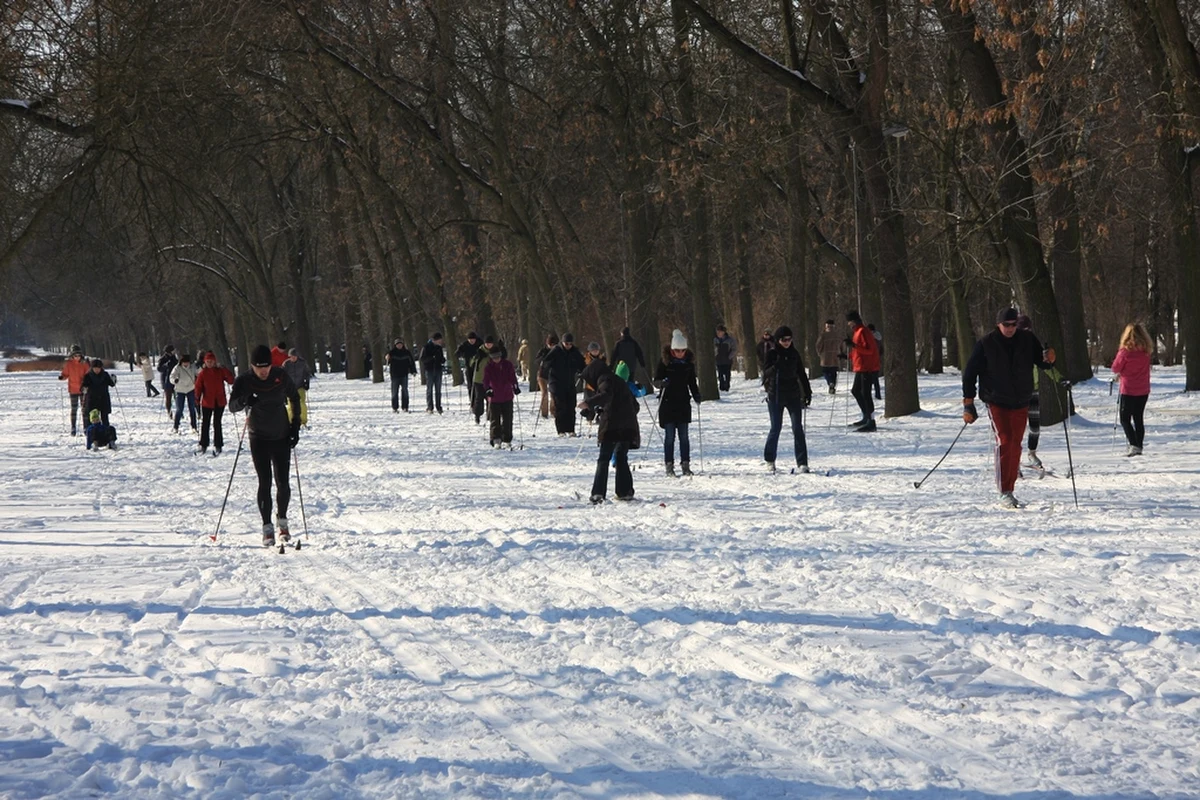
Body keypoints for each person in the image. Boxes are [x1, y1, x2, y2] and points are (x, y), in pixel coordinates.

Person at [962, 307, 1057, 508]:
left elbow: (1041, 363)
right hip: (996, 400)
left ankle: (1010, 486)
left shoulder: (1027, 339)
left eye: (1014, 324)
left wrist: (1049, 358)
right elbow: (969, 373)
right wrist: (968, 404)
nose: (1010, 328)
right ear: (998, 324)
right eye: (1006, 325)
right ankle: (1005, 491)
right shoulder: (986, 344)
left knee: (1015, 443)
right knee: (1005, 441)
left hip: (1021, 399)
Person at [229, 344, 302, 546]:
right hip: (258, 437)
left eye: (267, 366)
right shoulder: (244, 380)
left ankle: (283, 522)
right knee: (264, 482)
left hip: (281, 435)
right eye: (259, 367)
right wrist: (245, 399)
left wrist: (295, 427)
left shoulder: (279, 375)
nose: (264, 371)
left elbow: (294, 398)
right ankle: (267, 527)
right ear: (252, 365)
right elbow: (232, 406)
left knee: (283, 482)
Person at [579, 359, 640, 503]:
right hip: (628, 425)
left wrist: (588, 403)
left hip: (612, 426)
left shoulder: (604, 380)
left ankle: (598, 493)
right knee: (620, 456)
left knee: (604, 458)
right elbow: (635, 406)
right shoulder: (619, 381)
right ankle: (625, 491)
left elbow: (606, 395)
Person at [762, 325, 813, 473]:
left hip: (793, 395)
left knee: (797, 428)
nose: (787, 342)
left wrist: (808, 392)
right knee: (775, 428)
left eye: (789, 339)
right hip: (776, 395)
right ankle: (770, 459)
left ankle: (802, 462)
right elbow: (765, 373)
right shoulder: (772, 354)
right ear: (778, 340)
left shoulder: (794, 354)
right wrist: (774, 367)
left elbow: (801, 374)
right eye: (784, 340)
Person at [655, 329, 702, 476]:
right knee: (669, 437)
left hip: (682, 404)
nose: (680, 353)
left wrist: (696, 394)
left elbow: (692, 382)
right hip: (668, 404)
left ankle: (685, 464)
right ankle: (669, 465)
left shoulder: (688, 364)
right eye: (677, 351)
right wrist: (662, 383)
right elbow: (656, 381)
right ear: (672, 350)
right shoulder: (664, 363)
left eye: (683, 350)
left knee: (684, 437)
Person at [1112, 322, 1152, 457]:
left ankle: (1134, 444)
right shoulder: (1145, 351)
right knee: (1138, 418)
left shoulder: (1125, 352)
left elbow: (1115, 368)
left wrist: (1121, 372)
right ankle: (1139, 445)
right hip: (1143, 389)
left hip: (1128, 389)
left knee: (1124, 418)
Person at [540, 333, 586, 435]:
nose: (568, 346)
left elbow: (582, 364)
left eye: (570, 343)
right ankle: (561, 430)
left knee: (571, 405)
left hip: (569, 382)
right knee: (561, 406)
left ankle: (571, 429)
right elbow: (546, 362)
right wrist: (544, 373)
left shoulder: (574, 351)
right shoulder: (556, 350)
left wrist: (583, 372)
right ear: (562, 342)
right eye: (566, 343)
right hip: (556, 382)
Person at [845, 310, 881, 431]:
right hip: (860, 367)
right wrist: (847, 356)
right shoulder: (856, 332)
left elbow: (870, 350)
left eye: (849, 322)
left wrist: (854, 346)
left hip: (867, 367)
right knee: (856, 390)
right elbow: (857, 352)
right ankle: (866, 416)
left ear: (854, 321)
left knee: (865, 393)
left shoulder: (863, 331)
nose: (848, 324)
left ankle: (871, 420)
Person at [195, 351, 235, 455]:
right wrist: (197, 398)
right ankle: (203, 444)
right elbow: (198, 387)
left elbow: (231, 380)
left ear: (215, 362)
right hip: (207, 402)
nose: (210, 363)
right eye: (208, 361)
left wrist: (224, 369)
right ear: (205, 362)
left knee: (217, 423)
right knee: (205, 423)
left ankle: (218, 445)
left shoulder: (220, 371)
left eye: (211, 361)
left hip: (219, 401)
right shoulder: (202, 373)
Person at [483, 346, 520, 448]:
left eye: (498, 357)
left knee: (508, 419)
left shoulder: (507, 365)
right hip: (494, 397)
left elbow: (512, 377)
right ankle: (496, 439)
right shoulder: (488, 367)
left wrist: (515, 387)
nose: (496, 359)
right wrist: (488, 389)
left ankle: (507, 439)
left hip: (507, 396)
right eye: (494, 357)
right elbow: (486, 380)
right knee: (495, 420)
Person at [58, 346, 90, 436]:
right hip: (73, 389)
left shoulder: (84, 364)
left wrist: (86, 384)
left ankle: (86, 427)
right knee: (74, 409)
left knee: (84, 410)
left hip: (83, 390)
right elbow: (65, 374)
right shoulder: (69, 364)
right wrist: (62, 377)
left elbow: (88, 375)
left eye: (78, 355)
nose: (77, 357)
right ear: (72, 355)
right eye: (75, 355)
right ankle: (73, 427)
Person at [471, 336, 501, 423]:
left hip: (491, 379)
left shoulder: (495, 351)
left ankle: (490, 415)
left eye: (490, 343)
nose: (488, 345)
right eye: (487, 343)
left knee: (491, 398)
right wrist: (476, 358)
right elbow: (472, 363)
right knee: (479, 398)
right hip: (479, 379)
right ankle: (477, 414)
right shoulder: (480, 351)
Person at [81, 358, 117, 427]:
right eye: (95, 368)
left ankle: (106, 432)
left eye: (98, 368)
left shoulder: (105, 375)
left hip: (103, 399)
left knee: (105, 418)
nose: (97, 370)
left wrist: (113, 380)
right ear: (92, 368)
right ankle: (91, 432)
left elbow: (112, 384)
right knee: (93, 417)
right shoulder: (88, 376)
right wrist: (84, 389)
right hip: (92, 399)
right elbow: (83, 387)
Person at [385, 338, 417, 413]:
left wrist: (413, 371)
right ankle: (395, 407)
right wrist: (387, 358)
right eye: (398, 344)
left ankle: (405, 406)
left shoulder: (406, 352)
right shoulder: (392, 353)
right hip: (394, 374)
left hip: (404, 374)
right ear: (395, 345)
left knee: (405, 391)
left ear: (403, 345)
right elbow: (387, 362)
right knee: (394, 392)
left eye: (400, 344)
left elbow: (411, 363)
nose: (399, 345)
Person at [169, 352, 199, 433]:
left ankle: (194, 426)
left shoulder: (193, 367)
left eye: (187, 362)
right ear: (181, 362)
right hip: (179, 390)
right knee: (179, 409)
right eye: (184, 362)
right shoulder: (177, 368)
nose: (186, 364)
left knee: (192, 408)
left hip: (191, 389)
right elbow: (171, 377)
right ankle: (176, 426)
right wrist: (174, 381)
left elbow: (198, 373)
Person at [283, 348, 312, 427]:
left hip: (300, 386)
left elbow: (307, 373)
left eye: (294, 356)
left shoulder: (302, 363)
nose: (293, 358)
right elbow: (282, 375)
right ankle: (290, 420)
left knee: (302, 402)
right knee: (290, 404)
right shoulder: (286, 364)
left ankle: (303, 420)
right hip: (290, 387)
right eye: (291, 356)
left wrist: (307, 382)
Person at [418, 332, 446, 413]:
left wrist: (442, 360)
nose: (440, 341)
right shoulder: (426, 347)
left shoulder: (439, 348)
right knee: (429, 389)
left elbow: (441, 358)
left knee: (438, 389)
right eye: (439, 340)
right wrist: (431, 358)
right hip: (429, 370)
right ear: (435, 340)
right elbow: (422, 358)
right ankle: (430, 407)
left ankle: (439, 406)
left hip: (438, 370)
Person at [533, 334, 559, 417]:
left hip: (553, 375)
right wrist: (543, 359)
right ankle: (544, 412)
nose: (551, 346)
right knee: (544, 393)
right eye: (550, 344)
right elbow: (536, 360)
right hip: (542, 375)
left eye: (553, 344)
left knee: (553, 393)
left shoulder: (558, 351)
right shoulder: (543, 351)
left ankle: (553, 411)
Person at [815, 319, 842, 394]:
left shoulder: (823, 335)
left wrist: (819, 353)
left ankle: (830, 382)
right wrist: (841, 353)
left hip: (825, 357)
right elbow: (841, 345)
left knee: (825, 371)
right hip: (835, 357)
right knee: (833, 372)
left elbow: (818, 345)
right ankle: (832, 384)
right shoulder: (837, 335)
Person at [456, 332, 482, 406]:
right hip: (469, 367)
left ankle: (478, 399)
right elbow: (457, 353)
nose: (472, 341)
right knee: (470, 385)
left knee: (478, 385)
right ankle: (472, 400)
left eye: (473, 339)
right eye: (470, 340)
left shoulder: (480, 344)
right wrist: (462, 354)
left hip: (478, 368)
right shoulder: (465, 345)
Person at [713, 325, 737, 392]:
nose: (718, 333)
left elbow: (734, 349)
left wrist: (730, 356)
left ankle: (727, 386)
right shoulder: (715, 340)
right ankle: (721, 386)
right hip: (718, 360)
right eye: (717, 331)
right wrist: (715, 355)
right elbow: (712, 349)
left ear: (723, 332)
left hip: (727, 360)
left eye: (720, 331)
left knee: (727, 374)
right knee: (720, 374)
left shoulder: (730, 340)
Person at [157, 346, 178, 414]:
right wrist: (166, 365)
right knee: (168, 397)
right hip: (166, 380)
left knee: (177, 396)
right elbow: (159, 368)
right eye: (173, 350)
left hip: (174, 379)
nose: (174, 352)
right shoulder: (163, 359)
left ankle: (179, 411)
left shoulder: (174, 357)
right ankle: (169, 410)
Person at [867, 323, 884, 400]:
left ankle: (869, 395)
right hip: (877, 360)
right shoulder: (879, 338)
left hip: (870, 360)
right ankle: (877, 394)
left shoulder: (871, 339)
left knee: (870, 379)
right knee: (875, 379)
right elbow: (881, 350)